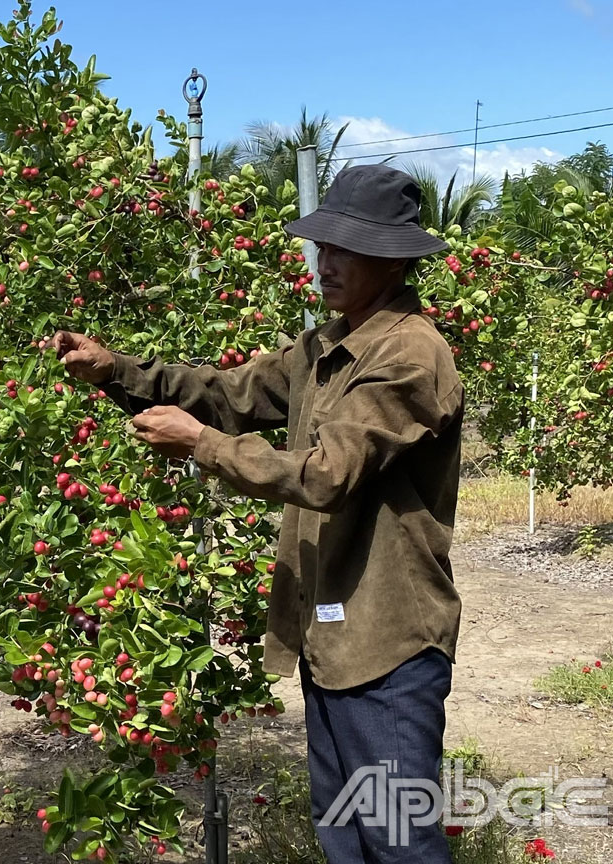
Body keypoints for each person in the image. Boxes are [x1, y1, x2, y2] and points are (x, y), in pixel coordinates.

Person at [52, 164, 464, 863]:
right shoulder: (323, 347)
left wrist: (202, 445)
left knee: (399, 842)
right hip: (331, 638)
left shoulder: (410, 355)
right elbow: (228, 393)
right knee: (345, 836)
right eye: (323, 246)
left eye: (346, 250)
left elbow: (327, 475)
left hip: (388, 644)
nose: (325, 264)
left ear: (394, 261)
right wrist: (116, 370)